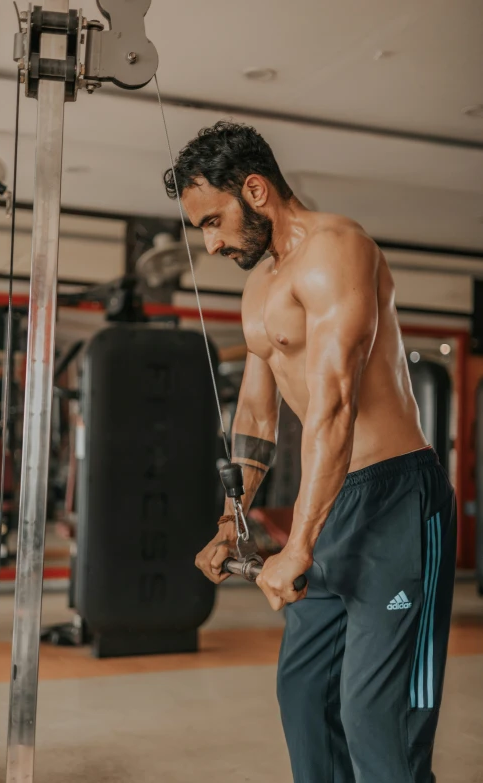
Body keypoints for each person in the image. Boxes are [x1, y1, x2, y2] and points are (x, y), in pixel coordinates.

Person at [164, 121, 456, 783]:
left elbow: (335, 404)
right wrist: (232, 517)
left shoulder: (336, 250)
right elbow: (259, 409)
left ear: (257, 190)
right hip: (331, 500)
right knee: (306, 697)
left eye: (213, 220)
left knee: (376, 720)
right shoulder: (258, 288)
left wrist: (298, 544)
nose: (209, 243)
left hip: (395, 499)